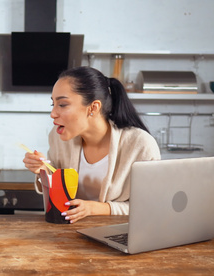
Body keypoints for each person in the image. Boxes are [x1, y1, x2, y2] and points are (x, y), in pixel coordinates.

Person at [23, 66, 160, 223]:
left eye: (62, 105)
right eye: (52, 104)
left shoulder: (140, 145)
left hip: (120, 234)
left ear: (93, 108)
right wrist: (44, 172)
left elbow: (149, 207)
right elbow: (59, 194)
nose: (53, 113)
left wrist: (94, 209)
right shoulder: (57, 138)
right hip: (69, 235)